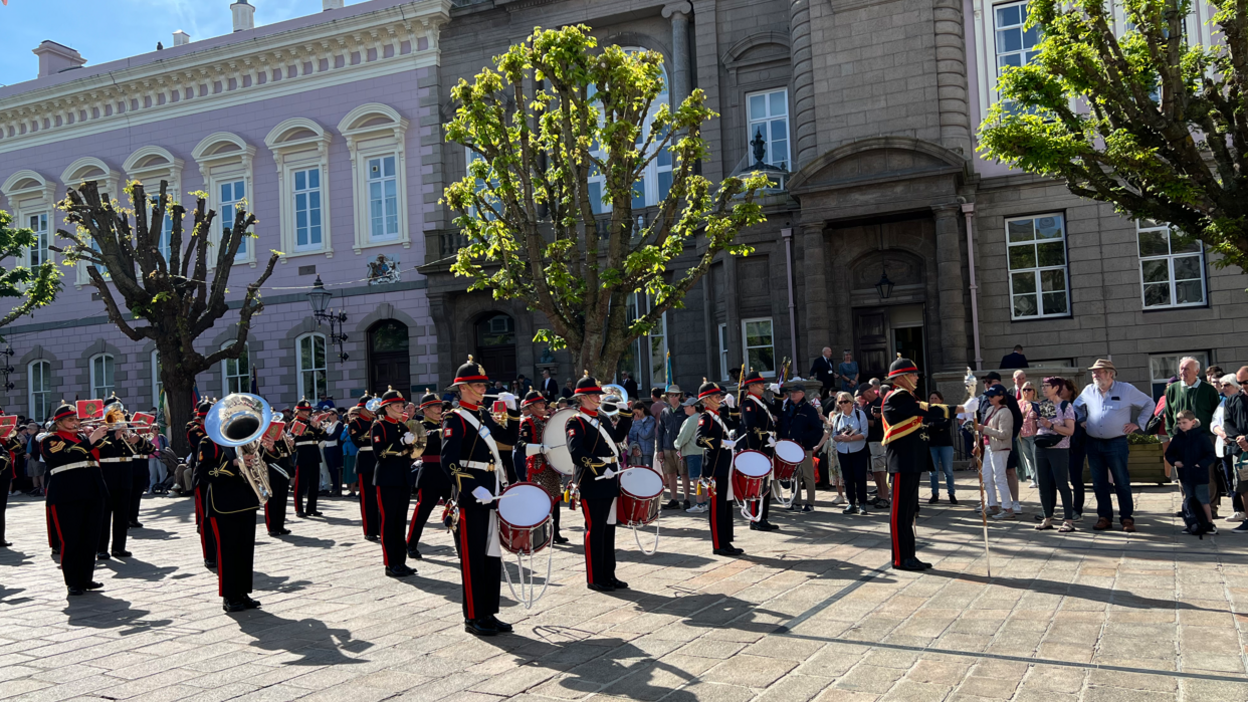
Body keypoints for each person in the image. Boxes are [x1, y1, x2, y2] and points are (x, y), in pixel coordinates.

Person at [442, 357, 520, 636]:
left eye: (483, 385)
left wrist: (513, 411)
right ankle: (473, 616)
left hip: (492, 490)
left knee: (491, 556)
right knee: (473, 558)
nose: (482, 389)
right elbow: (448, 461)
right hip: (472, 495)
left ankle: (489, 612)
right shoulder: (454, 418)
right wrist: (470, 487)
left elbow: (508, 441)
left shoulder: (485, 414)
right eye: (476, 385)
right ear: (462, 388)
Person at [882, 356, 962, 571]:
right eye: (913, 374)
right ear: (901, 378)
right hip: (901, 461)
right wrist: (958, 408)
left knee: (909, 512)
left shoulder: (906, 397)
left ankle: (910, 555)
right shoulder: (897, 397)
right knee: (900, 513)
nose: (917, 377)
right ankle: (900, 558)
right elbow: (927, 409)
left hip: (912, 460)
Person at [566, 374, 632, 592]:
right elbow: (576, 452)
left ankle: (609, 574)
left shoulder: (602, 419)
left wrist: (625, 415)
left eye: (598, 394)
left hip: (609, 478)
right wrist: (599, 466)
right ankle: (595, 577)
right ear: (582, 398)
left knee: (609, 529)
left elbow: (616, 437)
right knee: (595, 530)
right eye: (594, 394)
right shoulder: (575, 421)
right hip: (593, 480)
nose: (598, 397)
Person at [1075, 359, 1155, 532]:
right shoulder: (1089, 390)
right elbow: (1075, 407)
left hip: (1116, 442)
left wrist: (1138, 424)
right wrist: (1081, 420)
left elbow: (1149, 404)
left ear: (1111, 373)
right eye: (1094, 372)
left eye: (1099, 371)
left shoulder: (1126, 389)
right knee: (1099, 483)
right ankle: (1104, 517)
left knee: (1121, 481)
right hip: (1093, 442)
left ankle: (1126, 518)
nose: (1095, 374)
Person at [42, 402, 110, 596]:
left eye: (77, 419)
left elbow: (108, 452)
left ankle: (86, 578)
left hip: (93, 490)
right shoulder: (51, 439)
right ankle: (73, 581)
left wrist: (103, 436)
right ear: (59, 422)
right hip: (67, 493)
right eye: (71, 420)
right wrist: (90, 440)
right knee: (71, 539)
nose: (76, 422)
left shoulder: (83, 437)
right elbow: (68, 456)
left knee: (90, 538)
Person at [199, 421, 263, 613]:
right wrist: (233, 464)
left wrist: (263, 451)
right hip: (223, 504)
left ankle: (243, 593)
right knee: (227, 552)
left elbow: (260, 462)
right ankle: (229, 597)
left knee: (245, 550)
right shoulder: (208, 442)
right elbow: (204, 471)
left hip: (246, 501)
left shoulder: (245, 441)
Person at [1165, 356, 1223, 512]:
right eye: (1181, 369)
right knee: (1183, 472)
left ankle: (1210, 508)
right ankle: (1189, 507)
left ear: (1196, 371)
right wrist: (1171, 433)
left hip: (1204, 438)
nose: (1183, 372)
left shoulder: (1208, 390)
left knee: (1206, 472)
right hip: (1180, 438)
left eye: (1187, 369)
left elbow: (1217, 414)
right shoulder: (1173, 389)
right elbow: (1169, 414)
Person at [371, 388, 417, 578]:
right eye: (397, 406)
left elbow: (409, 453)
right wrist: (401, 443)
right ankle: (390, 564)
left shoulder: (403, 426)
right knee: (389, 522)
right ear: (387, 408)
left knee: (400, 522)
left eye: (401, 405)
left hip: (402, 476)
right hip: (387, 478)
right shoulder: (379, 426)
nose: (401, 408)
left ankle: (401, 561)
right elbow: (380, 454)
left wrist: (410, 443)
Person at [96, 413, 155, 560]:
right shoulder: (102, 434)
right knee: (104, 515)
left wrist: (138, 440)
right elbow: (98, 449)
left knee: (122, 515)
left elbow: (150, 449)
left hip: (126, 475)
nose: (121, 423)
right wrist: (113, 437)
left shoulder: (129, 433)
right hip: (108, 474)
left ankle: (119, 548)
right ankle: (101, 549)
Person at [695, 381, 742, 555]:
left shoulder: (719, 415)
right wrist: (721, 442)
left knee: (726, 506)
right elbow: (700, 440)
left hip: (725, 466)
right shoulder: (705, 417)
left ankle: (726, 541)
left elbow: (735, 424)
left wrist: (733, 407)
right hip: (714, 469)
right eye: (716, 396)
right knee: (716, 508)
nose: (720, 398)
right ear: (706, 400)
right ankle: (718, 544)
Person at [515, 391, 568, 544]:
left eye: (543, 402)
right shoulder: (527, 422)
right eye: (539, 403)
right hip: (538, 467)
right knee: (541, 502)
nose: (543, 405)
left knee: (556, 500)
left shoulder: (548, 421)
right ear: (530, 406)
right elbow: (520, 446)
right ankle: (540, 535)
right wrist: (540, 448)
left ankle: (555, 533)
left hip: (552, 466)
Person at [409, 392, 453, 557]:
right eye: (435, 406)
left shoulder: (446, 423)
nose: (439, 408)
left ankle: (461, 546)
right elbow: (423, 438)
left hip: (448, 473)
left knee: (454, 512)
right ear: (425, 410)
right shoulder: (420, 425)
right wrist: (444, 431)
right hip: (430, 474)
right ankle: (411, 544)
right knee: (422, 513)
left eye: (440, 406)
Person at [738, 370, 783, 531]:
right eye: (760, 384)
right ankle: (755, 519)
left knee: (765, 484)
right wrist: (766, 437)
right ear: (751, 386)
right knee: (757, 485)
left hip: (766, 447)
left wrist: (778, 395)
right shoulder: (748, 403)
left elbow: (777, 411)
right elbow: (751, 426)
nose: (763, 386)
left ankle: (763, 517)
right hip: (757, 447)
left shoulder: (760, 400)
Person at [1034, 377, 1077, 532]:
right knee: (1043, 484)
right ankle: (1047, 518)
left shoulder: (1066, 405)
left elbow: (1070, 431)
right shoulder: (1045, 404)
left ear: (1056, 388)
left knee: (1061, 484)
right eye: (1043, 385)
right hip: (1042, 447)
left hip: (1059, 449)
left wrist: (1050, 425)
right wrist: (1035, 420)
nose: (1044, 388)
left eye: (1047, 386)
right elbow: (1043, 427)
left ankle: (1068, 520)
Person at [1167, 410, 1217, 534]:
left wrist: (1200, 464)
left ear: (1193, 422)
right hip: (1185, 474)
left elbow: (1211, 455)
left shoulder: (1202, 437)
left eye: (1184, 422)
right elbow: (1169, 453)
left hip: (1200, 474)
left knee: (1203, 499)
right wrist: (1174, 462)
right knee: (1188, 500)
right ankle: (1191, 522)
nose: (1181, 425)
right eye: (1179, 423)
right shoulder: (1178, 438)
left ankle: (1209, 523)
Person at [780, 382, 823, 512]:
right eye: (791, 392)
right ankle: (796, 501)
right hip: (790, 447)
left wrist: (802, 437)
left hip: (804, 447)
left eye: (795, 392)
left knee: (808, 475)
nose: (792, 394)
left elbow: (817, 430)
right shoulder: (788, 408)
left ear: (802, 394)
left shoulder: (809, 410)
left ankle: (810, 503)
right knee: (794, 475)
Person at [975, 385, 1015, 519]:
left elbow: (1005, 434)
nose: (989, 398)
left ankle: (1008, 509)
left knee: (1000, 478)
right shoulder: (991, 409)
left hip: (1000, 448)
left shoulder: (1005, 412)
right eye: (988, 396)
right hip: (989, 446)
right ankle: (992, 505)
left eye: (992, 396)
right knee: (986, 477)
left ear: (1001, 396)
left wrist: (984, 429)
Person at [826, 391, 869, 513]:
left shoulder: (860, 414)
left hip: (858, 449)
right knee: (847, 478)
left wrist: (850, 438)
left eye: (845, 401)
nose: (843, 404)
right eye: (840, 402)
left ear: (851, 402)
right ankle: (851, 503)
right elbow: (834, 435)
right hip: (843, 450)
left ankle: (862, 503)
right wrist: (840, 437)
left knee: (860, 477)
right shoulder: (837, 417)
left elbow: (865, 433)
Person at [188, 399, 218, 568]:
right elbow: (198, 444)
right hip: (203, 476)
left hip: (219, 477)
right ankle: (209, 556)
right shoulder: (195, 432)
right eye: (206, 418)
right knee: (206, 518)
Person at [1210, 375, 1244, 523]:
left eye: (1227, 385)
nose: (1223, 388)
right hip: (1224, 445)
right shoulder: (1222, 403)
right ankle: (1238, 509)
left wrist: (1233, 436)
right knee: (1230, 479)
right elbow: (1214, 423)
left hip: (1239, 446)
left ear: (1237, 386)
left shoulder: (1242, 401)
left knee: (1242, 478)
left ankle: (1244, 509)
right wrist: (1222, 433)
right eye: (1222, 385)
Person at [346, 394, 380, 541]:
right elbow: (358, 441)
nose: (373, 411)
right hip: (365, 460)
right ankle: (369, 530)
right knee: (367, 498)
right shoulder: (355, 423)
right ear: (362, 409)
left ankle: (379, 527)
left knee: (379, 497)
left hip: (378, 460)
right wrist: (373, 429)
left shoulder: (377, 421)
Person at [290, 400, 327, 518]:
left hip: (314, 452)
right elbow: (297, 437)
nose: (307, 413)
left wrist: (317, 425)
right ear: (298, 411)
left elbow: (323, 436)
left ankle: (312, 508)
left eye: (308, 410)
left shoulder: (311, 421)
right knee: (301, 483)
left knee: (314, 483)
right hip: (303, 453)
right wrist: (311, 425)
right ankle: (299, 509)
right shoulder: (295, 422)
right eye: (304, 411)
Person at [655, 385, 689, 510]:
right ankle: (674, 499)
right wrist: (659, 449)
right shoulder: (665, 411)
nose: (672, 397)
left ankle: (686, 499)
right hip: (667, 447)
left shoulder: (684, 410)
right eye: (670, 395)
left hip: (681, 448)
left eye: (674, 395)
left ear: (679, 396)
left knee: (684, 473)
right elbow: (661, 431)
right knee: (671, 474)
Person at [857, 383, 889, 509]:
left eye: (863, 394)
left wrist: (864, 421)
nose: (862, 397)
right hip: (871, 442)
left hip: (878, 440)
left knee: (881, 470)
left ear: (869, 392)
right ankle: (880, 495)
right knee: (875, 470)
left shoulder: (881, 403)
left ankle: (885, 497)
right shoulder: (868, 405)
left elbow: (881, 424)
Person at [261, 429, 294, 537]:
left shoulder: (283, 439)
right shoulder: (266, 439)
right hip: (272, 471)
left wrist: (291, 444)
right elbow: (264, 454)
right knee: (272, 500)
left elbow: (290, 453)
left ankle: (280, 525)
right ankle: (272, 527)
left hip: (284, 470)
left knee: (282, 499)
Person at [675, 397, 706, 514]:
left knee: (695, 480)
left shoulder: (691, 420)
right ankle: (703, 503)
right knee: (702, 480)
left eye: (686, 406)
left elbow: (683, 437)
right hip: (702, 452)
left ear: (693, 406)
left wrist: (676, 445)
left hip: (693, 452)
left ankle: (699, 504)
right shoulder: (702, 417)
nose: (684, 408)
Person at [927, 390, 956, 504]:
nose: (933, 400)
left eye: (935, 398)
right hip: (932, 444)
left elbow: (946, 424)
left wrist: (933, 425)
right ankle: (934, 494)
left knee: (948, 471)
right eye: (931, 398)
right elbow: (926, 425)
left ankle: (951, 493)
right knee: (933, 471)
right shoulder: (927, 412)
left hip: (945, 444)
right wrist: (935, 425)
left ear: (941, 400)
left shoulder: (945, 410)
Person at [0, 424, 25, 547]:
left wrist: (9, 438)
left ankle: (0, 538)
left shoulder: (8, 435)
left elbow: (19, 449)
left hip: (3, 474)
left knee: (1, 507)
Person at [1017, 382, 1039, 489]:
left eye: (1029, 389)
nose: (1026, 391)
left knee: (1036, 458)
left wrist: (1037, 416)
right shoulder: (1019, 403)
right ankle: (1034, 480)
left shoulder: (1038, 403)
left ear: (1033, 391)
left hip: (1035, 434)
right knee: (1029, 458)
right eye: (1024, 389)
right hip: (1022, 434)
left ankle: (1039, 479)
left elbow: (1046, 418)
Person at [627, 403, 655, 474]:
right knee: (637, 474)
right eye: (634, 413)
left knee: (647, 473)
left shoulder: (650, 420)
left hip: (646, 453)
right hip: (637, 453)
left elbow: (645, 434)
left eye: (637, 412)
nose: (636, 414)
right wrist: (633, 448)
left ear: (642, 409)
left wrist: (638, 422)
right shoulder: (635, 421)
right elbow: (631, 435)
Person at [321, 411, 344, 497]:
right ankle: (333, 487)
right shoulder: (329, 424)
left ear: (336, 415)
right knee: (330, 468)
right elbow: (324, 435)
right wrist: (327, 436)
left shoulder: (339, 424)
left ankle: (337, 488)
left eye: (333, 414)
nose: (331, 416)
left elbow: (335, 435)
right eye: (329, 415)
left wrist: (327, 437)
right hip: (327, 447)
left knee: (335, 468)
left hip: (334, 448)